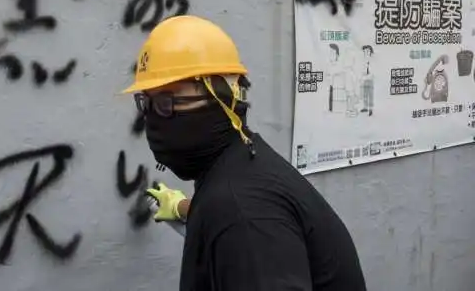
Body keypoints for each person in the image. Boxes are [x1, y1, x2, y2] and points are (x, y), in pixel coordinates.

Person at [123, 15, 367, 291]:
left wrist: (224, 220)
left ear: (223, 102)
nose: (153, 119)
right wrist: (186, 210)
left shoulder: (243, 214)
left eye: (167, 102)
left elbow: (247, 225)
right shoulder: (244, 162)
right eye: (145, 102)